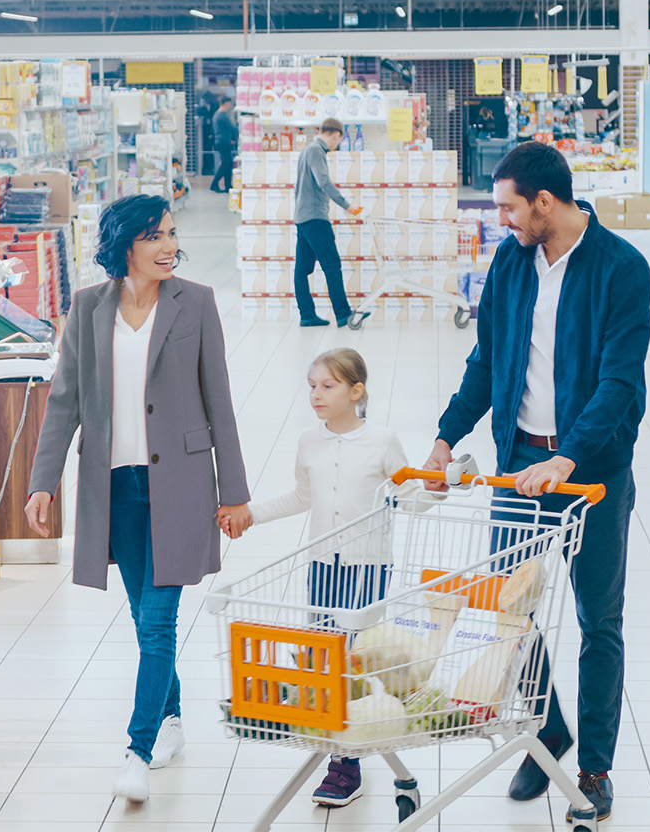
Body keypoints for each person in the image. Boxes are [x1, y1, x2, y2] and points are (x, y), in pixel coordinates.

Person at [420, 141, 650, 822]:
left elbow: (619, 383)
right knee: (504, 609)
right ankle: (546, 731)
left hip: (592, 477)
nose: (502, 222)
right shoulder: (511, 262)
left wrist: (569, 458)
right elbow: (486, 361)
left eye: (508, 209)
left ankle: (595, 767)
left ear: (544, 203)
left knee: (597, 621)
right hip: (518, 465)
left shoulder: (621, 269)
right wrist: (443, 438)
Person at [24, 194, 252, 805]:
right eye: (156, 236)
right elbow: (65, 401)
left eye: (173, 235)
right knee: (142, 619)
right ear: (126, 245)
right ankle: (173, 718)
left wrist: (235, 493)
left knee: (158, 623)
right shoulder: (89, 307)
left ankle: (139, 749)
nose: (170, 246)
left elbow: (220, 404)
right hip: (115, 487)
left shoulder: (196, 303)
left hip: (179, 485)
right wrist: (42, 481)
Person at [244, 348, 414, 809]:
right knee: (325, 658)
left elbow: (408, 497)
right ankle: (344, 747)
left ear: (356, 391)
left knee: (351, 658)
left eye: (328, 386)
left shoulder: (382, 441)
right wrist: (251, 514)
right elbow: (302, 496)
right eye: (312, 386)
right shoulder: (308, 441)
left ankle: (346, 765)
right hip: (323, 568)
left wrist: (434, 487)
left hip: (367, 569)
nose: (316, 395)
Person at [294, 117, 362, 328]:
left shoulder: (307, 150)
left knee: (302, 269)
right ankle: (343, 315)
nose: (336, 146)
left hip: (303, 217)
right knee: (332, 265)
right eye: (337, 141)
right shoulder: (316, 150)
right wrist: (347, 205)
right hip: (315, 217)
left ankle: (307, 315)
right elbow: (323, 181)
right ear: (335, 135)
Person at [210, 96, 239, 193]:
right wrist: (238, 133)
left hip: (221, 141)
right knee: (226, 163)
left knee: (229, 163)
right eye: (230, 103)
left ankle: (228, 186)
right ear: (226, 103)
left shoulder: (217, 114)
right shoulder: (223, 114)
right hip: (224, 142)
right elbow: (232, 127)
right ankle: (214, 184)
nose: (230, 106)